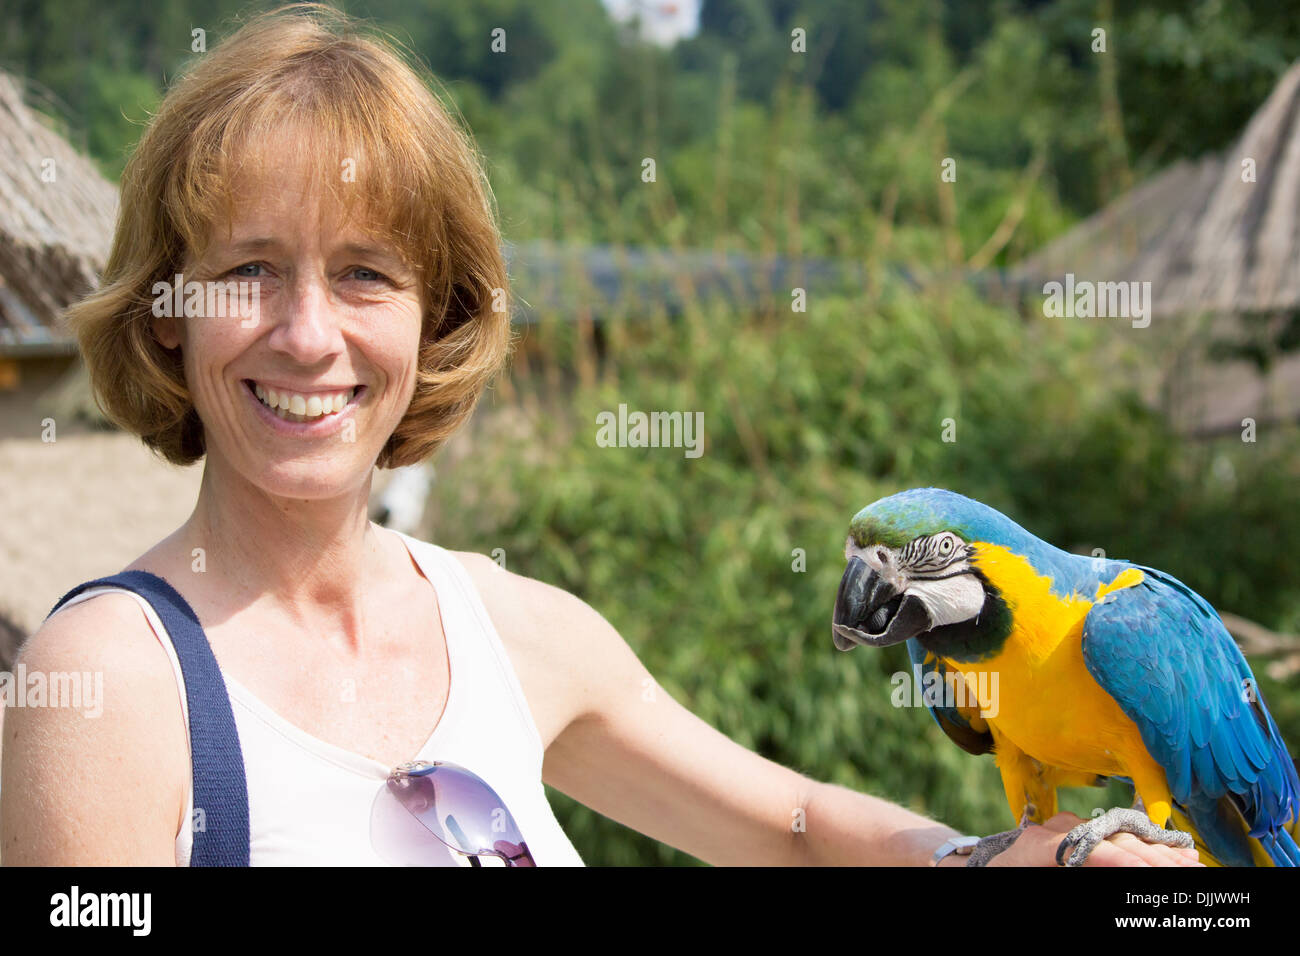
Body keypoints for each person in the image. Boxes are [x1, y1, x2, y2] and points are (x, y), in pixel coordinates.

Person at [0, 4, 1201, 868]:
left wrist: (1012, 863)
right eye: (251, 269)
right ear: (168, 316)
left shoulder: (517, 627)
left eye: (365, 274)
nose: (309, 335)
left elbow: (792, 831)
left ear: (441, 315)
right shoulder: (108, 683)